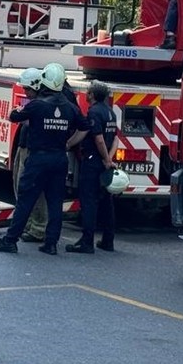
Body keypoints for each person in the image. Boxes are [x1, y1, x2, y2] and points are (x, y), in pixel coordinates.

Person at [0, 63, 86, 255]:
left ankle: (10, 240)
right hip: (59, 159)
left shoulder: (37, 105)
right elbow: (84, 127)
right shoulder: (70, 108)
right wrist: (68, 143)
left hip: (38, 160)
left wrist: (17, 110)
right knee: (55, 203)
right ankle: (50, 244)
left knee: (25, 201)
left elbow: (13, 116)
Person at [66, 80, 119, 254]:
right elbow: (116, 138)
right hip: (104, 163)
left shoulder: (94, 112)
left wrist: (104, 158)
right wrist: (110, 160)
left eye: (88, 92)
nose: (86, 94)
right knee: (106, 202)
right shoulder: (111, 113)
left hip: (93, 161)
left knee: (88, 202)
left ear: (93, 95)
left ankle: (86, 242)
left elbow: (98, 138)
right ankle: (108, 240)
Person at [11, 68, 49, 244]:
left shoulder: (40, 104)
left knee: (33, 190)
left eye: (27, 89)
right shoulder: (37, 103)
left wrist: (20, 113)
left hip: (34, 151)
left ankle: (37, 228)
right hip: (25, 145)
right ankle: (27, 223)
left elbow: (13, 117)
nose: (25, 92)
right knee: (21, 187)